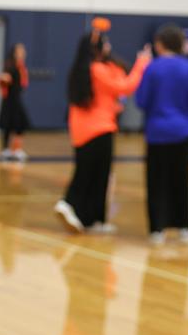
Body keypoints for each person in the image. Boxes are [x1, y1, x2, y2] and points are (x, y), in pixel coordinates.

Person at [55, 17, 151, 233]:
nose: (109, 46)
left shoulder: (82, 69)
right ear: (97, 48)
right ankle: (72, 205)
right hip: (99, 129)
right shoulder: (97, 69)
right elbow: (125, 87)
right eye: (105, 43)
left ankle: (88, 218)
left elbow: (108, 93)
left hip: (81, 130)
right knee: (96, 176)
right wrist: (142, 63)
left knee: (90, 172)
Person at [134, 24, 188, 243]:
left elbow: (141, 100)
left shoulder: (152, 68)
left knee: (156, 181)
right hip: (183, 131)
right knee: (182, 178)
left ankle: (157, 229)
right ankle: (185, 227)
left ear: (160, 44)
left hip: (157, 132)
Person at [0, 43, 30, 161]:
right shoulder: (10, 66)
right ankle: (6, 150)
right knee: (9, 125)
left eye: (23, 50)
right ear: (15, 53)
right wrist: (3, 79)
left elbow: (23, 83)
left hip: (16, 98)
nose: (23, 52)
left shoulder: (21, 66)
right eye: (20, 51)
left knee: (20, 124)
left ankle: (16, 150)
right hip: (10, 100)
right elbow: (2, 79)